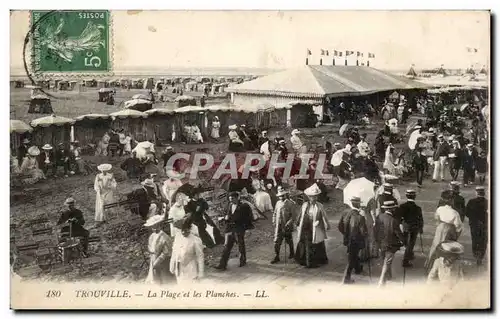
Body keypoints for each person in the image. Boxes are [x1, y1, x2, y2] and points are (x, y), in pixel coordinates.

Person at [425, 190, 463, 273]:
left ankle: (431, 266)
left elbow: (436, 219)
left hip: (440, 229)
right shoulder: (455, 213)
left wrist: (440, 226)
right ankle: (446, 268)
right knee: (448, 248)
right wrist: (456, 236)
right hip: (449, 231)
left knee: (435, 246)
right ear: (452, 200)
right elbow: (458, 227)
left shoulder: (439, 209)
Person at [215, 192, 254, 271]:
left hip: (239, 229)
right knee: (226, 247)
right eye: (230, 199)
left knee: (240, 245)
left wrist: (246, 229)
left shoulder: (244, 206)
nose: (231, 201)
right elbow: (229, 216)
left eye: (232, 199)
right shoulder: (230, 205)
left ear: (237, 198)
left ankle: (242, 261)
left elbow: (248, 218)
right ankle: (222, 264)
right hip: (230, 229)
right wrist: (225, 218)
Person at [295, 184, 330, 268]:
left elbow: (324, 217)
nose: (314, 199)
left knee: (316, 243)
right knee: (305, 243)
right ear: (309, 197)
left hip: (315, 227)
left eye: (315, 197)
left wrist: (325, 224)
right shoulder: (305, 205)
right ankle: (305, 261)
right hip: (305, 227)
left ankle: (315, 261)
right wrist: (297, 223)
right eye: (312, 197)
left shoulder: (319, 206)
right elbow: (300, 215)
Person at [338, 196, 368, 284]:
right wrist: (365, 234)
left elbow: (340, 226)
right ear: (358, 204)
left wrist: (346, 234)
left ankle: (358, 268)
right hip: (356, 240)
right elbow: (363, 231)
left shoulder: (345, 213)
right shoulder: (360, 217)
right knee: (352, 258)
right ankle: (346, 278)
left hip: (348, 239)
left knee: (353, 255)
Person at [375, 200, 404, 287]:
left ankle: (388, 276)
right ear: (391, 209)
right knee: (387, 262)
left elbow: (375, 230)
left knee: (384, 260)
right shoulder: (393, 220)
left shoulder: (379, 217)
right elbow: (398, 233)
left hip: (381, 243)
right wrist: (403, 241)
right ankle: (381, 281)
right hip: (391, 245)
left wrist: (377, 241)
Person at [170, 219, 205, 284]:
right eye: (182, 230)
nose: (183, 232)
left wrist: (201, 272)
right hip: (179, 268)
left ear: (190, 229)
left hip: (191, 268)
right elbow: (174, 252)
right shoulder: (178, 237)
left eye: (186, 230)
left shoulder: (195, 240)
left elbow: (200, 256)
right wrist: (172, 265)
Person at [397, 190, 423, 268]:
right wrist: (421, 228)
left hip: (405, 227)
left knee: (406, 242)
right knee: (411, 243)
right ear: (414, 197)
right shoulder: (418, 208)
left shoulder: (402, 206)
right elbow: (420, 219)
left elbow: (399, 217)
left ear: (406, 196)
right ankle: (405, 261)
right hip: (414, 228)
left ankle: (410, 254)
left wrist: (402, 223)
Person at [144, 214, 173, 285]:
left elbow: (166, 252)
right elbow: (150, 246)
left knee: (164, 277)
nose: (153, 229)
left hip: (162, 260)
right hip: (153, 258)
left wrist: (158, 261)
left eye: (155, 227)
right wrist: (151, 253)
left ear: (159, 226)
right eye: (152, 227)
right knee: (155, 276)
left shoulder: (164, 237)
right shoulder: (152, 236)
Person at [270, 187, 295, 264]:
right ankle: (276, 256)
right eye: (280, 196)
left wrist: (289, 222)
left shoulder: (290, 203)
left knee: (289, 240)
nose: (281, 197)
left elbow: (293, 216)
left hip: (286, 226)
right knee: (276, 241)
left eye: (283, 195)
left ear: (285, 195)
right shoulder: (278, 203)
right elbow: (274, 213)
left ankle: (292, 252)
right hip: (278, 226)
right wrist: (274, 220)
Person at [465, 186, 488, 266]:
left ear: (476, 193)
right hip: (485, 225)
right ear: (484, 193)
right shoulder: (487, 202)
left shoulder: (471, 201)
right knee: (483, 240)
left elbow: (467, 213)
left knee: (475, 239)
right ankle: (481, 256)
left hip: (474, 225)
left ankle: (476, 254)